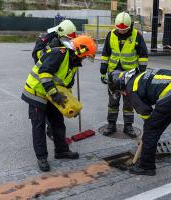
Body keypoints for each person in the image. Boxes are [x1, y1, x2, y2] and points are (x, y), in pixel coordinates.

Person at [21, 35, 97, 172]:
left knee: (58, 122)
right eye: (85, 56)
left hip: (51, 94)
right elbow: (44, 73)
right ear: (80, 51)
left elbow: (66, 86)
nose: (85, 59)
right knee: (38, 125)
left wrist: (70, 105)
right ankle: (42, 158)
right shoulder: (59, 54)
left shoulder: (73, 62)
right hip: (36, 91)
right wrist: (54, 94)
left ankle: (61, 151)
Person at [108, 68, 171, 176]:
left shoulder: (131, 88)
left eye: (120, 92)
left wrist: (148, 134)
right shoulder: (139, 76)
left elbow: (146, 114)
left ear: (120, 85)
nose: (123, 94)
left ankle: (146, 167)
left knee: (151, 130)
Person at [100, 12, 148, 138]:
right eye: (119, 29)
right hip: (113, 74)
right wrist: (103, 70)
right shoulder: (111, 34)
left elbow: (143, 55)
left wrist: (142, 72)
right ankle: (111, 124)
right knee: (113, 101)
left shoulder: (137, 35)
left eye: (124, 29)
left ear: (130, 26)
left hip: (130, 74)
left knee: (129, 102)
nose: (121, 32)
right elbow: (106, 52)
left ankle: (128, 126)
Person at [32, 19, 77, 140]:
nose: (70, 41)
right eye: (68, 38)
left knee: (54, 111)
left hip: (56, 81)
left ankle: (53, 132)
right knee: (47, 110)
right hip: (44, 79)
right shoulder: (51, 42)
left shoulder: (66, 42)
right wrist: (49, 51)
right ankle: (51, 129)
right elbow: (38, 57)